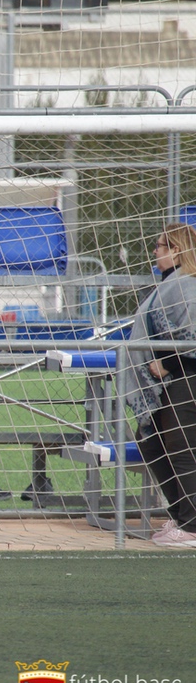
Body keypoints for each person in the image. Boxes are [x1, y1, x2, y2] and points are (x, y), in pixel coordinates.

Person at [128, 222, 196, 548]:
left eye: (160, 246)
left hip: (186, 377)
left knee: (181, 449)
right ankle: (183, 515)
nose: (154, 252)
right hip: (169, 380)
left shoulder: (186, 284)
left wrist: (166, 364)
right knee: (152, 443)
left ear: (177, 250)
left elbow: (191, 337)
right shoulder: (171, 283)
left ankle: (192, 525)